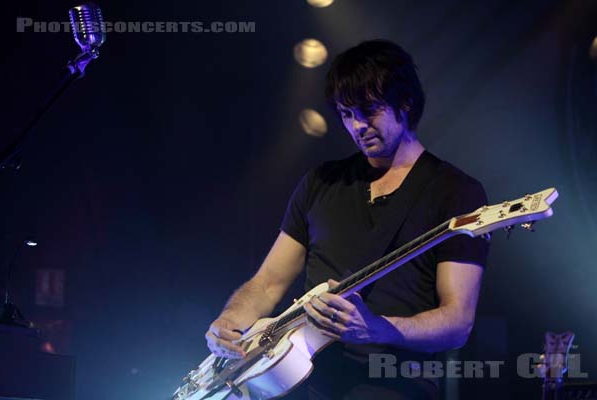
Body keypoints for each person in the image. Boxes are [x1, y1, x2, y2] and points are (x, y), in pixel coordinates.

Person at [204, 39, 489, 399]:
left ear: (405, 102)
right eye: (346, 114)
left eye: (369, 110)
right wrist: (230, 321)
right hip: (305, 381)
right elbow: (267, 284)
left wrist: (376, 329)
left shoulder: (456, 191)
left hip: (391, 384)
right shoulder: (322, 182)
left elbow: (457, 322)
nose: (357, 126)